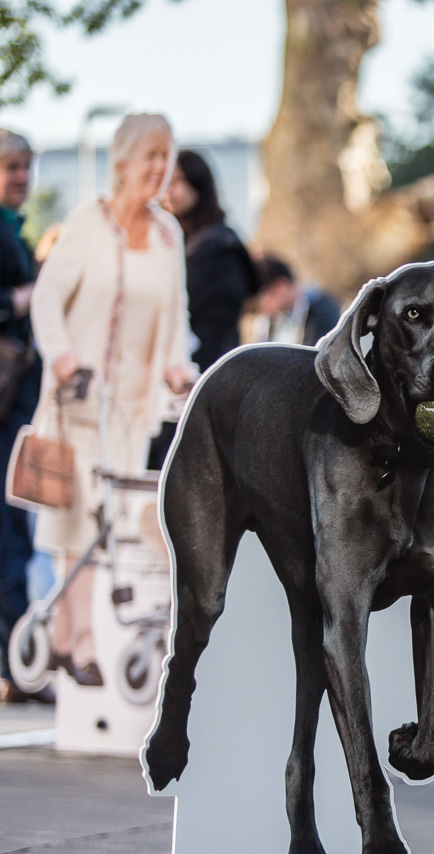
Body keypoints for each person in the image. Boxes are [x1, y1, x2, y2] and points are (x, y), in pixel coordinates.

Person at [24, 113, 195, 688]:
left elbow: (176, 316)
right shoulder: (86, 226)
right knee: (76, 518)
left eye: (165, 156)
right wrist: (64, 355)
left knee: (112, 523)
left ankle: (80, 635)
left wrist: (177, 367)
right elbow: (47, 300)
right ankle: (78, 638)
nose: (159, 168)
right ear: (122, 162)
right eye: (149, 156)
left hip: (131, 406)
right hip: (79, 398)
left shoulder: (169, 235)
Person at [0, 130, 43, 703]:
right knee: (9, 531)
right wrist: (26, 297)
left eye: (26, 167)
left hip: (17, 404)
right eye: (10, 166)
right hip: (7, 405)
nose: (20, 176)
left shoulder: (15, 229)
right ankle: (13, 659)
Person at [164, 150, 257, 372]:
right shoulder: (182, 239)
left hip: (209, 370)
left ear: (199, 184)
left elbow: (197, 314)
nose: (169, 192)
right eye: (165, 182)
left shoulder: (218, 246)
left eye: (178, 181)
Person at [250, 255, 342, 347]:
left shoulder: (322, 316)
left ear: (281, 287)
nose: (263, 307)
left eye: (264, 299)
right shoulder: (271, 322)